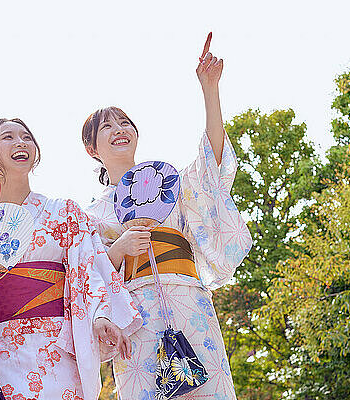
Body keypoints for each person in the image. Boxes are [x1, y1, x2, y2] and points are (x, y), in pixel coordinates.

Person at [82, 33, 253, 399]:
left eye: (125, 122)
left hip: (188, 298)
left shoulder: (170, 182)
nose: (120, 130)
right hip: (135, 311)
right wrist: (118, 249)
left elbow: (212, 168)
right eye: (107, 126)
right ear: (91, 148)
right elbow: (85, 272)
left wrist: (210, 89)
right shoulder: (91, 214)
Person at [0, 118, 142, 400]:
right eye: (8, 137)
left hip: (55, 344)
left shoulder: (63, 212)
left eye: (26, 137)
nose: (21, 143)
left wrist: (99, 315)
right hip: (2, 348)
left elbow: (87, 268)